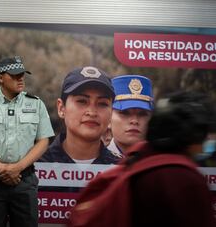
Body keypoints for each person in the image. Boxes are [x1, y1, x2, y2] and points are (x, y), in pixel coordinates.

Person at [0, 56, 54, 227]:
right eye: (14, 75)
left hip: (24, 180)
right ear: (0, 78)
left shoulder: (36, 104)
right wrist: (1, 169)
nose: (20, 79)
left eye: (22, 75)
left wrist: (17, 168)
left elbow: (43, 141)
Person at [130, 91, 216, 227]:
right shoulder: (186, 179)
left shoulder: (140, 156)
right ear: (193, 134)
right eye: (205, 134)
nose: (206, 141)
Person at [39, 66, 121, 164]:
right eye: (82, 101)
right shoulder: (34, 166)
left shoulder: (124, 170)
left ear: (111, 112)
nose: (92, 112)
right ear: (61, 108)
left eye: (102, 103)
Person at [107, 75, 154, 156]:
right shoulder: (93, 161)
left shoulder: (159, 163)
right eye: (124, 113)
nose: (134, 121)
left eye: (142, 114)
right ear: (108, 119)